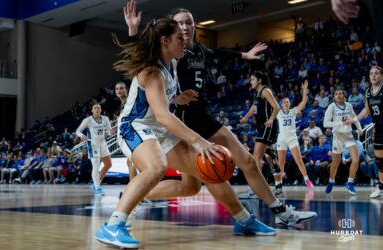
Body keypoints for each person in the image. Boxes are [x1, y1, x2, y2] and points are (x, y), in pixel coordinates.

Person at [123, 0, 316, 226]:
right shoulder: (171, 54)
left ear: (195, 26)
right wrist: (133, 32)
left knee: (244, 164)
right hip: (183, 123)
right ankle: (134, 195)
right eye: (180, 24)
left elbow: (221, 53)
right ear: (171, 31)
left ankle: (282, 214)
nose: (185, 27)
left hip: (204, 117)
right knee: (195, 184)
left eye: (189, 23)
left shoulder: (200, 50)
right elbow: (143, 59)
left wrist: (246, 55)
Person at [95, 18, 277, 249]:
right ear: (165, 41)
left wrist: (177, 98)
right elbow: (162, 115)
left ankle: (244, 221)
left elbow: (160, 100)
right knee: (157, 166)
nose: (185, 41)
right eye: (179, 38)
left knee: (201, 175)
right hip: (134, 126)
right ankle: (113, 225)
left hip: (157, 128)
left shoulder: (169, 64)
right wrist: (198, 140)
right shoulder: (152, 71)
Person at [240, 71, 282, 196]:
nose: (250, 81)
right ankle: (278, 185)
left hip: (267, 127)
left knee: (256, 157)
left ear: (259, 80)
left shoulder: (265, 91)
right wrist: (246, 117)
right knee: (270, 156)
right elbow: (254, 107)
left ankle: (255, 189)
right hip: (262, 127)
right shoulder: (258, 93)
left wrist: (270, 119)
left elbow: (277, 107)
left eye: (252, 79)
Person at [347, 66, 383, 198]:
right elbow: (367, 110)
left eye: (376, 73)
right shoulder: (367, 92)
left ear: (381, 76)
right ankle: (380, 187)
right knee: (379, 161)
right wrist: (355, 119)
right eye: (371, 73)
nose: (373, 76)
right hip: (378, 128)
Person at [275, 80, 314, 191]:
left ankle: (307, 180)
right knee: (281, 163)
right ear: (281, 105)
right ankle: (279, 183)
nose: (286, 103)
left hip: (292, 138)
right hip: (281, 139)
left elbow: (304, 101)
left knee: (299, 160)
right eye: (284, 102)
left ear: (290, 104)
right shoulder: (278, 112)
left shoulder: (293, 111)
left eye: (288, 102)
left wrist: (304, 89)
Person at [323, 89, 362, 195]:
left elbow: (354, 117)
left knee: (356, 160)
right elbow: (325, 123)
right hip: (337, 136)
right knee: (335, 163)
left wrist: (359, 128)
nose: (339, 95)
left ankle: (350, 182)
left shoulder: (349, 105)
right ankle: (331, 181)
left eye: (340, 93)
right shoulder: (332, 106)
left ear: (344, 95)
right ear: (334, 97)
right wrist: (341, 123)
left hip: (348, 135)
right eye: (336, 94)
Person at [76, 103, 116, 196]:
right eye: (95, 108)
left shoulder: (105, 118)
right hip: (93, 143)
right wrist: (82, 136)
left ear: (101, 110)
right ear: (92, 110)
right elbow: (77, 131)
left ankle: (96, 182)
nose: (97, 109)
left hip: (103, 143)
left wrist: (112, 132)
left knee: (108, 164)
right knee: (96, 165)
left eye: (99, 108)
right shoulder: (88, 120)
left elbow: (109, 131)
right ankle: (98, 188)